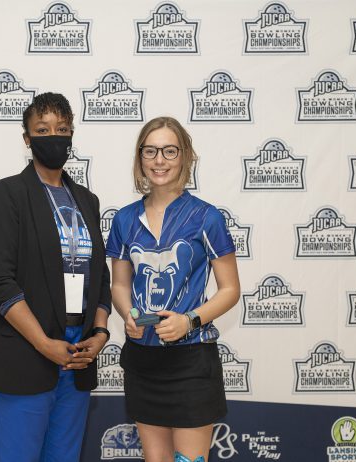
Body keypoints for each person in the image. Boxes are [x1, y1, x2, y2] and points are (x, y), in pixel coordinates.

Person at [0, 92, 111, 462]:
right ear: (27, 138)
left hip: (79, 353)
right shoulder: (9, 194)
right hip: (27, 349)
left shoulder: (87, 200)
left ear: (71, 135)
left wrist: (99, 333)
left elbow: (100, 278)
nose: (53, 136)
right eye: (42, 129)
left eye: (62, 129)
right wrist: (42, 343)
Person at [106, 117, 240, 462]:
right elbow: (119, 284)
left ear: (184, 157)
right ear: (140, 157)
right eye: (150, 151)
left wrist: (190, 321)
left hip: (191, 361)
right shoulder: (124, 220)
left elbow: (230, 290)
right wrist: (128, 314)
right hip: (142, 360)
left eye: (169, 151)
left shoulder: (206, 217)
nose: (159, 160)